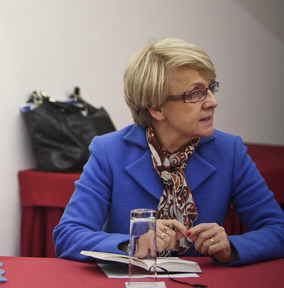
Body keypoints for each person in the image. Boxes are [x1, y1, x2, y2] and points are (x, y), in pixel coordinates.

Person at [53, 38, 284, 266]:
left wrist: (232, 247)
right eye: (195, 94)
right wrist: (132, 244)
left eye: (210, 88)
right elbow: (69, 234)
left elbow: (278, 229)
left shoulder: (229, 152)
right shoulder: (110, 152)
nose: (212, 101)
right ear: (156, 108)